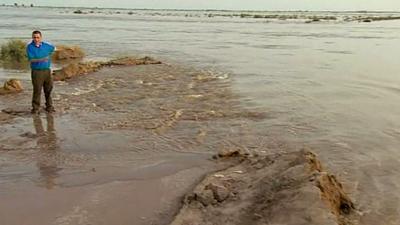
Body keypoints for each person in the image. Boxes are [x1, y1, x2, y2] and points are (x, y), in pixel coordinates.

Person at [26, 30, 56, 114]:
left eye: (38, 37)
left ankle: (49, 107)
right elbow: (31, 59)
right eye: (34, 37)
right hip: (37, 72)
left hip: (47, 71)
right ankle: (35, 108)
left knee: (48, 89)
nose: (36, 39)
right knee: (37, 90)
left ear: (41, 38)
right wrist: (41, 59)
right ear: (32, 38)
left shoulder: (46, 46)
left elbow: (54, 49)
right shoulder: (30, 47)